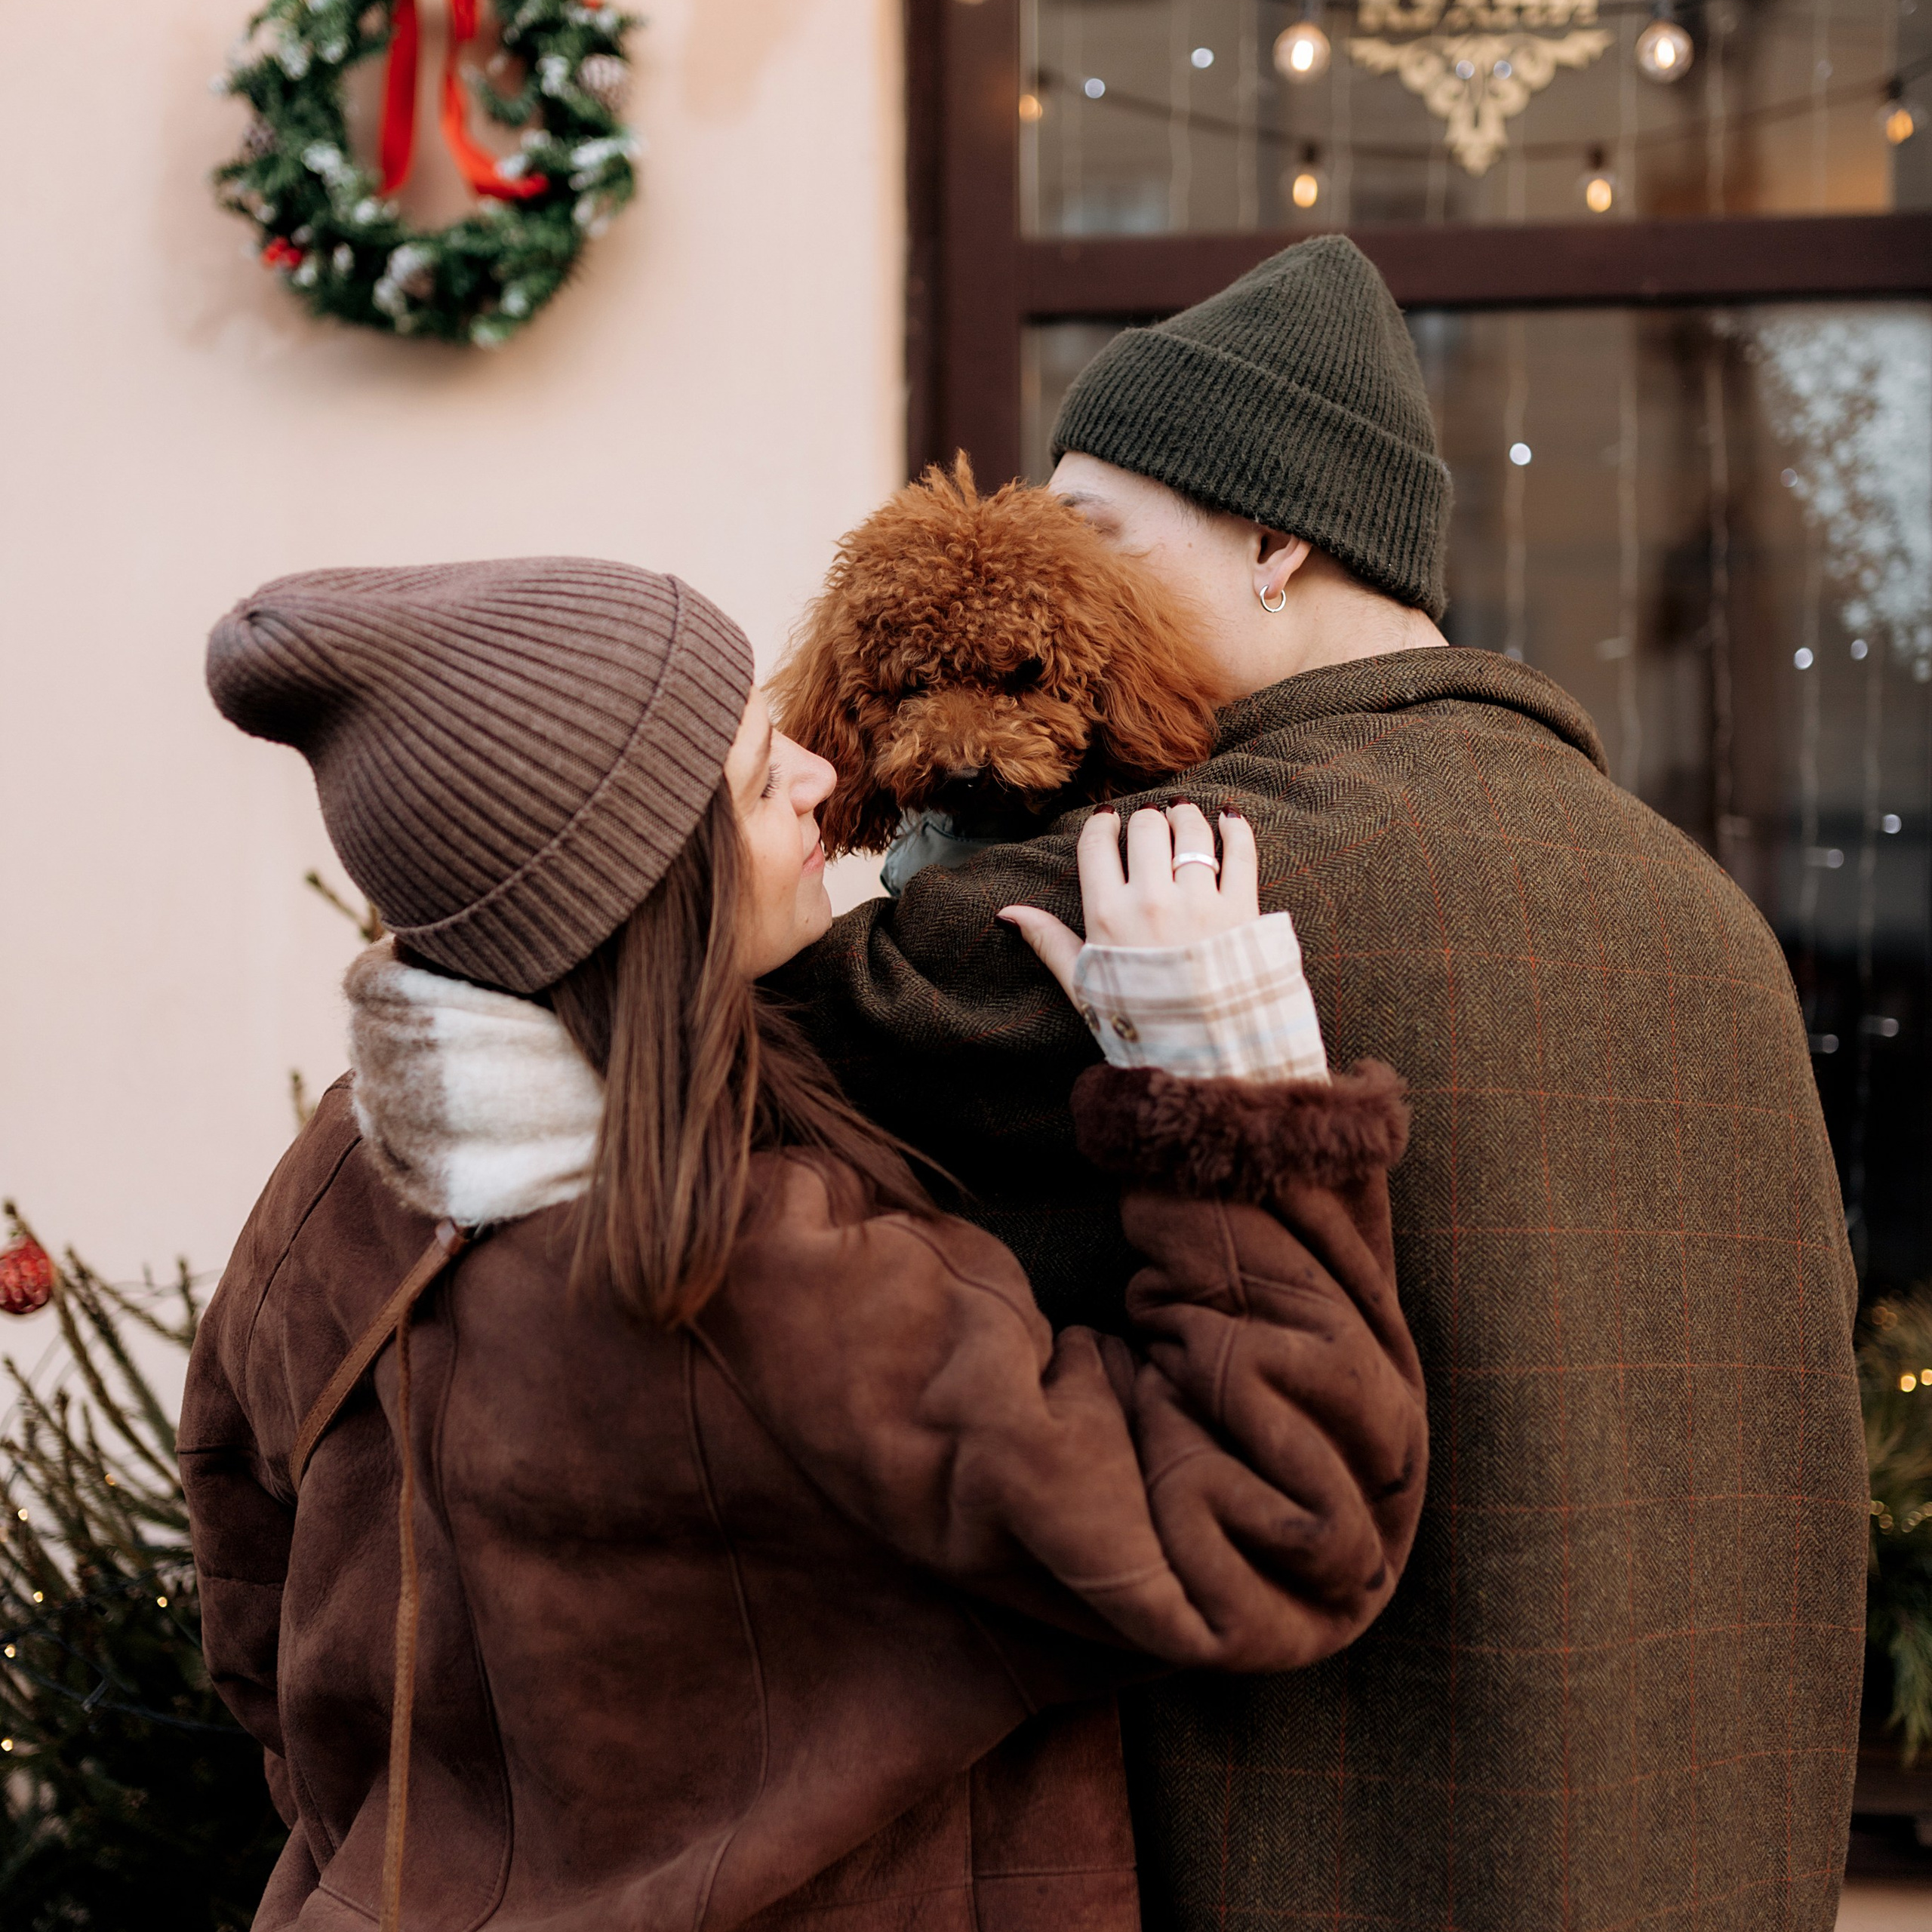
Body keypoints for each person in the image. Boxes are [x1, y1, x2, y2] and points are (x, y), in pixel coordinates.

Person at [774, 237, 1869, 1930]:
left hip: (1321, 1853)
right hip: (1701, 1855)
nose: (1067, 586)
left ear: (1275, 540)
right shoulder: (1698, 910)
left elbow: (791, 1046)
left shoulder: (1180, 867)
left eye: (1101, 534)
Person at [178, 558, 1428, 1932]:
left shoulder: (338, 1177)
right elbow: (1276, 1526)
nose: (823, 779)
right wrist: (1226, 1089)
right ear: (655, 894)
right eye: (760, 779)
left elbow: (257, 1633)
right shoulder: (740, 1278)